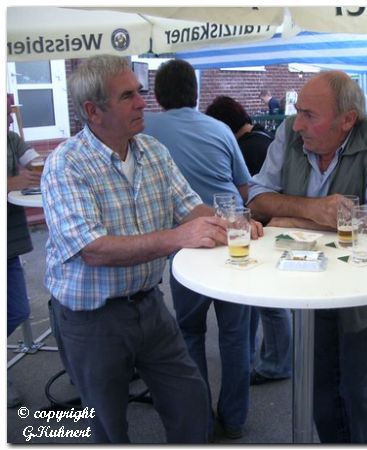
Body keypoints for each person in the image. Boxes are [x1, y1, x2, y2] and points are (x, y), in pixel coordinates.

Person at [41, 54, 249, 443]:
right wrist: (179, 237)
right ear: (93, 111)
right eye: (127, 96)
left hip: (150, 305)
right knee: (107, 426)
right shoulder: (66, 165)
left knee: (190, 403)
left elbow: (189, 207)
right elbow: (93, 249)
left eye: (139, 92)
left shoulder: (151, 150)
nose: (142, 103)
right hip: (91, 317)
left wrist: (235, 222)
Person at [248, 70, 367, 443]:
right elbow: (256, 198)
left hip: (362, 287)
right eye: (297, 111)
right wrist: (315, 209)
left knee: (357, 389)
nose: (297, 124)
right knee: (317, 387)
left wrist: (293, 218)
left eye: (309, 115)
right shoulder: (289, 133)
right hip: (304, 284)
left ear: (347, 120)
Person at [143, 59, 255, 439]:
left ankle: (201, 423)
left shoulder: (145, 128)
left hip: (187, 242)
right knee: (235, 334)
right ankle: (235, 420)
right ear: (195, 93)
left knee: (189, 331)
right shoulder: (220, 128)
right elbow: (244, 188)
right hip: (232, 236)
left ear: (158, 95)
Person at [206, 95, 292, 385]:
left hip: (259, 229)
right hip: (267, 228)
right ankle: (264, 357)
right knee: (262, 301)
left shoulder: (247, 148)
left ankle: (277, 363)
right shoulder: (262, 138)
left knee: (270, 304)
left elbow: (249, 195)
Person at [6, 94, 42, 408]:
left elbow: (34, 159)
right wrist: (9, 183)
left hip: (9, 242)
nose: (9, 114)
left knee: (17, 310)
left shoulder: (10, 139)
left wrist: (42, 165)